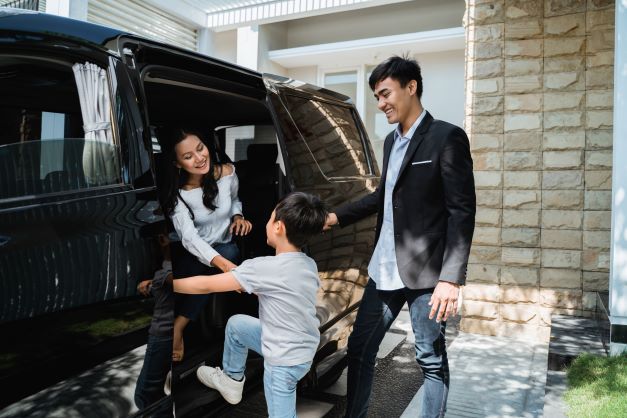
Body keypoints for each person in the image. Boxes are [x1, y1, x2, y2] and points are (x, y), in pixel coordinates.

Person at [324, 56, 476, 418]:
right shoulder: (392, 142)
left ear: (411, 87)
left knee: (429, 357)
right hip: (385, 268)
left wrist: (451, 279)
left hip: (427, 275)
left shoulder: (447, 137)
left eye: (385, 93)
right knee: (360, 349)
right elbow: (383, 196)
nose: (381, 104)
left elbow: (462, 211)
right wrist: (334, 217)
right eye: (377, 96)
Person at [173, 192, 327, 418]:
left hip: (283, 361)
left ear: (278, 227)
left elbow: (206, 285)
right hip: (301, 347)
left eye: (270, 218)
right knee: (237, 325)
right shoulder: (307, 264)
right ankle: (231, 381)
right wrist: (247, 280)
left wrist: (169, 284)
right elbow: (282, 291)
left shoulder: (263, 268)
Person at [162, 128, 252, 362]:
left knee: (228, 250)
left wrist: (238, 217)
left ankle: (177, 326)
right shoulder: (179, 197)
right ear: (178, 163)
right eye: (188, 156)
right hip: (194, 252)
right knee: (208, 265)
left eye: (200, 148)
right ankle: (178, 326)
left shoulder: (228, 173)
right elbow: (190, 239)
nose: (199, 158)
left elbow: (234, 199)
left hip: (224, 247)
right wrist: (223, 266)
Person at [134, 230, 174, 416]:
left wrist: (155, 281)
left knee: (145, 396)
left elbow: (174, 279)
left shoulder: (167, 275)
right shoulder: (167, 267)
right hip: (167, 333)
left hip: (163, 335)